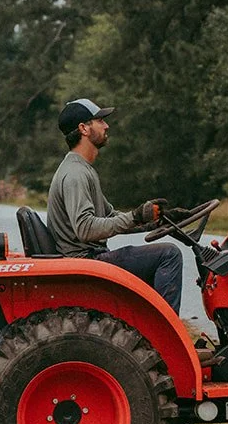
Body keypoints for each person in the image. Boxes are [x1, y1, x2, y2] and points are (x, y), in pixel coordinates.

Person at [47, 98, 183, 314]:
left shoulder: (83, 169)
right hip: (86, 262)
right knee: (169, 255)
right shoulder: (75, 174)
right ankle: (165, 341)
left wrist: (155, 219)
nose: (106, 125)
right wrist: (136, 217)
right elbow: (85, 228)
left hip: (90, 258)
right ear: (84, 128)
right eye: (100, 120)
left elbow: (110, 216)